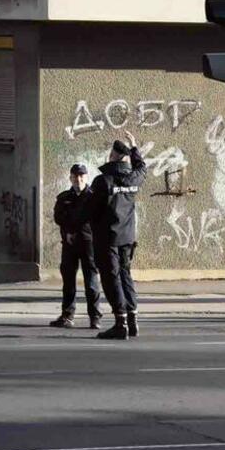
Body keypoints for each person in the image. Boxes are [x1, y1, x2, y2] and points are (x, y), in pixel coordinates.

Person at [90, 131, 146, 340]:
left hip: (108, 239)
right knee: (125, 275)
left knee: (111, 278)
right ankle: (132, 321)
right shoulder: (134, 178)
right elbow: (142, 168)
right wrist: (134, 148)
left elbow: (90, 211)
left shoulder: (103, 181)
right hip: (127, 237)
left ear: (112, 156)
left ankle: (120, 323)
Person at [50, 163, 103, 330]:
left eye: (81, 176)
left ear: (86, 177)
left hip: (88, 244)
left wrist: (78, 231)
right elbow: (59, 217)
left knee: (91, 281)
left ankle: (95, 317)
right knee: (68, 281)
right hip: (69, 244)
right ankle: (67, 315)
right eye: (75, 176)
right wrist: (69, 231)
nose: (78, 179)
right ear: (70, 178)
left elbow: (96, 219)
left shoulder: (93, 197)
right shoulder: (64, 197)